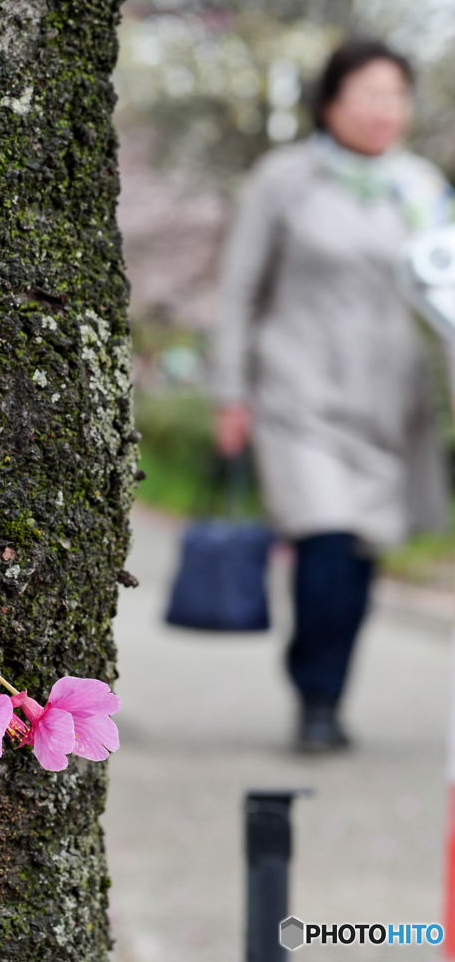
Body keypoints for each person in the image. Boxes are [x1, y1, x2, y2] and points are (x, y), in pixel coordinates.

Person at [212, 38, 452, 751]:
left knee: (358, 558)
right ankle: (314, 695)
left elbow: (449, 297)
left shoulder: (423, 189)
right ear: (330, 102)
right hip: (298, 393)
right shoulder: (285, 178)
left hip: (389, 401)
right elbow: (238, 290)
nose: (384, 111)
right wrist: (230, 393)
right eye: (368, 95)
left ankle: (329, 691)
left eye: (396, 96)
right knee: (323, 536)